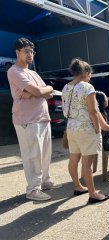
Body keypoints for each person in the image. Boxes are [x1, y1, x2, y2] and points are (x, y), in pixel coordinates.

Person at [7, 38, 62, 201]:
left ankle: (44, 181)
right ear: (17, 52)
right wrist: (43, 90)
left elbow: (46, 92)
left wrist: (38, 92)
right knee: (32, 155)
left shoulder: (33, 73)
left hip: (42, 117)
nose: (30, 54)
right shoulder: (14, 71)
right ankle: (33, 189)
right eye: (26, 51)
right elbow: (40, 91)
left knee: (45, 153)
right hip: (27, 120)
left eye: (32, 51)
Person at [62, 58, 109, 204]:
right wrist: (97, 129)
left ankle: (77, 186)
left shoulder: (66, 87)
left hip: (71, 128)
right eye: (90, 73)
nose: (90, 76)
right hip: (86, 128)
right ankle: (93, 193)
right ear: (86, 72)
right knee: (87, 163)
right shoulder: (87, 87)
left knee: (73, 159)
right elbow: (93, 111)